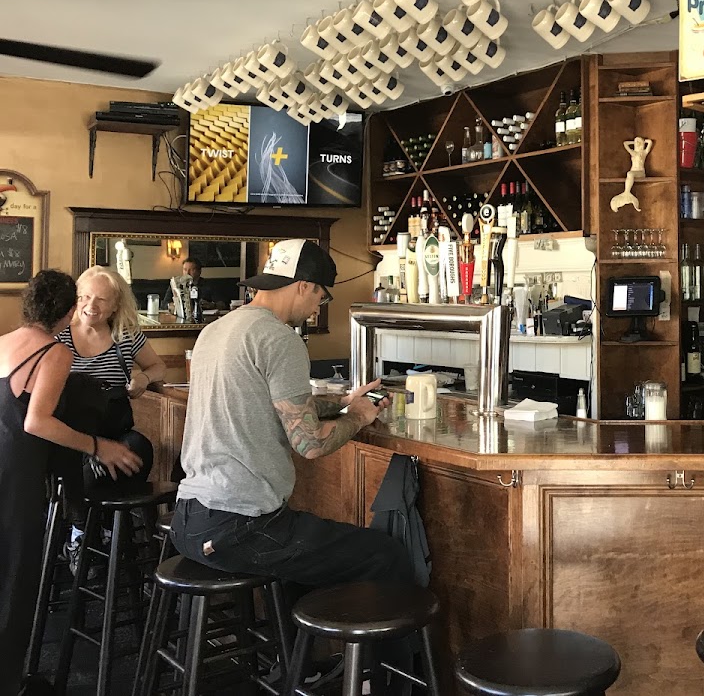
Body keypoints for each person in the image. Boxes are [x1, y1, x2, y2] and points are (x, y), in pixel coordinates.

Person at [171, 239, 414, 687]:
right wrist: (359, 417)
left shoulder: (219, 329)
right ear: (303, 286)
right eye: (322, 295)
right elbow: (311, 446)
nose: (319, 306)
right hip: (239, 526)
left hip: (191, 520)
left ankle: (306, 668)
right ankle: (385, 684)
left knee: (308, 556)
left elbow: (263, 403)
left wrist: (342, 402)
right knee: (386, 556)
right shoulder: (279, 339)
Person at [0, 271, 142, 695]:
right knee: (15, 580)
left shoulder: (5, 341)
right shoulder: (54, 352)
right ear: (66, 310)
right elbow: (37, 422)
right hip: (18, 476)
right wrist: (99, 446)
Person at [56, 265, 164, 558]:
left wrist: (143, 377)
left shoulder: (125, 334)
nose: (91, 306)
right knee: (86, 464)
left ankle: (112, 529)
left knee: (138, 450)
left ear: (116, 304)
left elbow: (158, 366)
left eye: (101, 300)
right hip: (71, 434)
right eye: (85, 297)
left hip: (115, 428)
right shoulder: (60, 334)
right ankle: (83, 534)